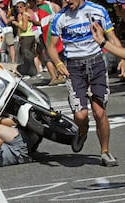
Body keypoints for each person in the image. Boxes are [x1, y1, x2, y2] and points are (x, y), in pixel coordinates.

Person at [47, 0, 123, 166]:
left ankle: (105, 152)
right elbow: (51, 47)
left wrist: (123, 58)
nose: (67, 1)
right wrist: (58, 63)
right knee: (80, 115)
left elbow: (112, 37)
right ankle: (82, 131)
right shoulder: (60, 17)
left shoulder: (98, 10)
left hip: (96, 64)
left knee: (100, 112)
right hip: (74, 67)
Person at [33, 0, 66, 86]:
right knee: (56, 55)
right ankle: (60, 75)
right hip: (55, 33)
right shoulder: (52, 5)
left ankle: (55, 77)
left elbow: (43, 22)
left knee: (47, 57)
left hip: (48, 35)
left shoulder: (43, 7)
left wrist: (32, 21)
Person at [12, 0, 37, 77]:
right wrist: (19, 37)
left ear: (25, 7)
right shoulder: (22, 15)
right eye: (17, 7)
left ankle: (29, 71)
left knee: (27, 55)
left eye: (20, 7)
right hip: (25, 36)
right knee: (28, 54)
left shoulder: (25, 15)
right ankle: (31, 71)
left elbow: (24, 28)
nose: (19, 9)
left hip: (27, 36)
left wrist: (16, 24)